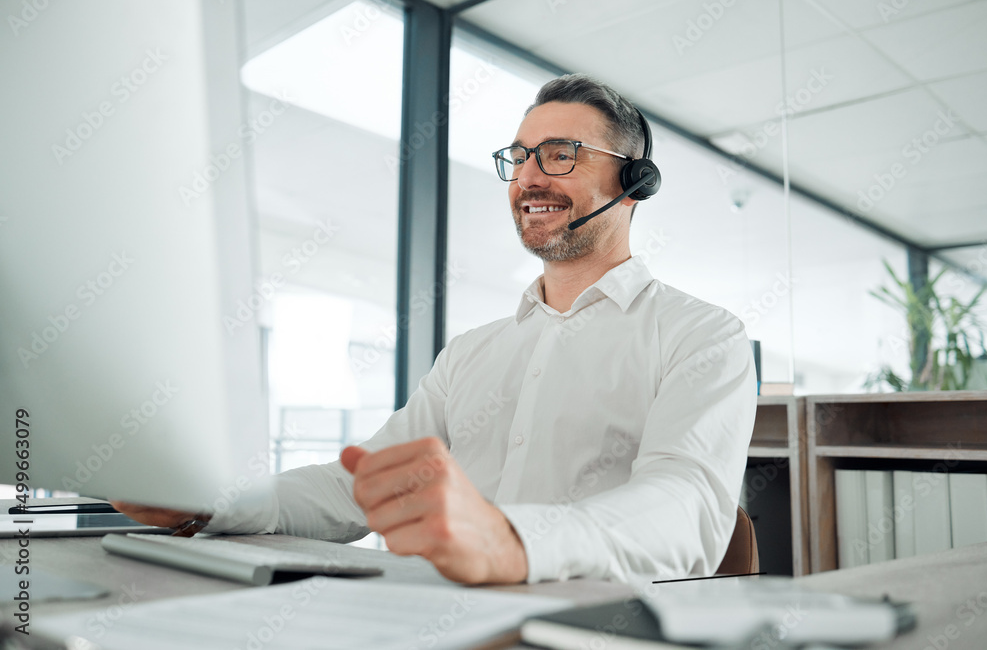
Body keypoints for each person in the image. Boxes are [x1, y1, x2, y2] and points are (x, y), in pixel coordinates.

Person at [115, 74, 757, 586]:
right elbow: (358, 487)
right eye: (521, 157)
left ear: (635, 182)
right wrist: (208, 504)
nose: (530, 176)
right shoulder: (473, 353)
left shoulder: (701, 336)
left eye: (561, 156)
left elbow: (687, 507)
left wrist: (509, 541)